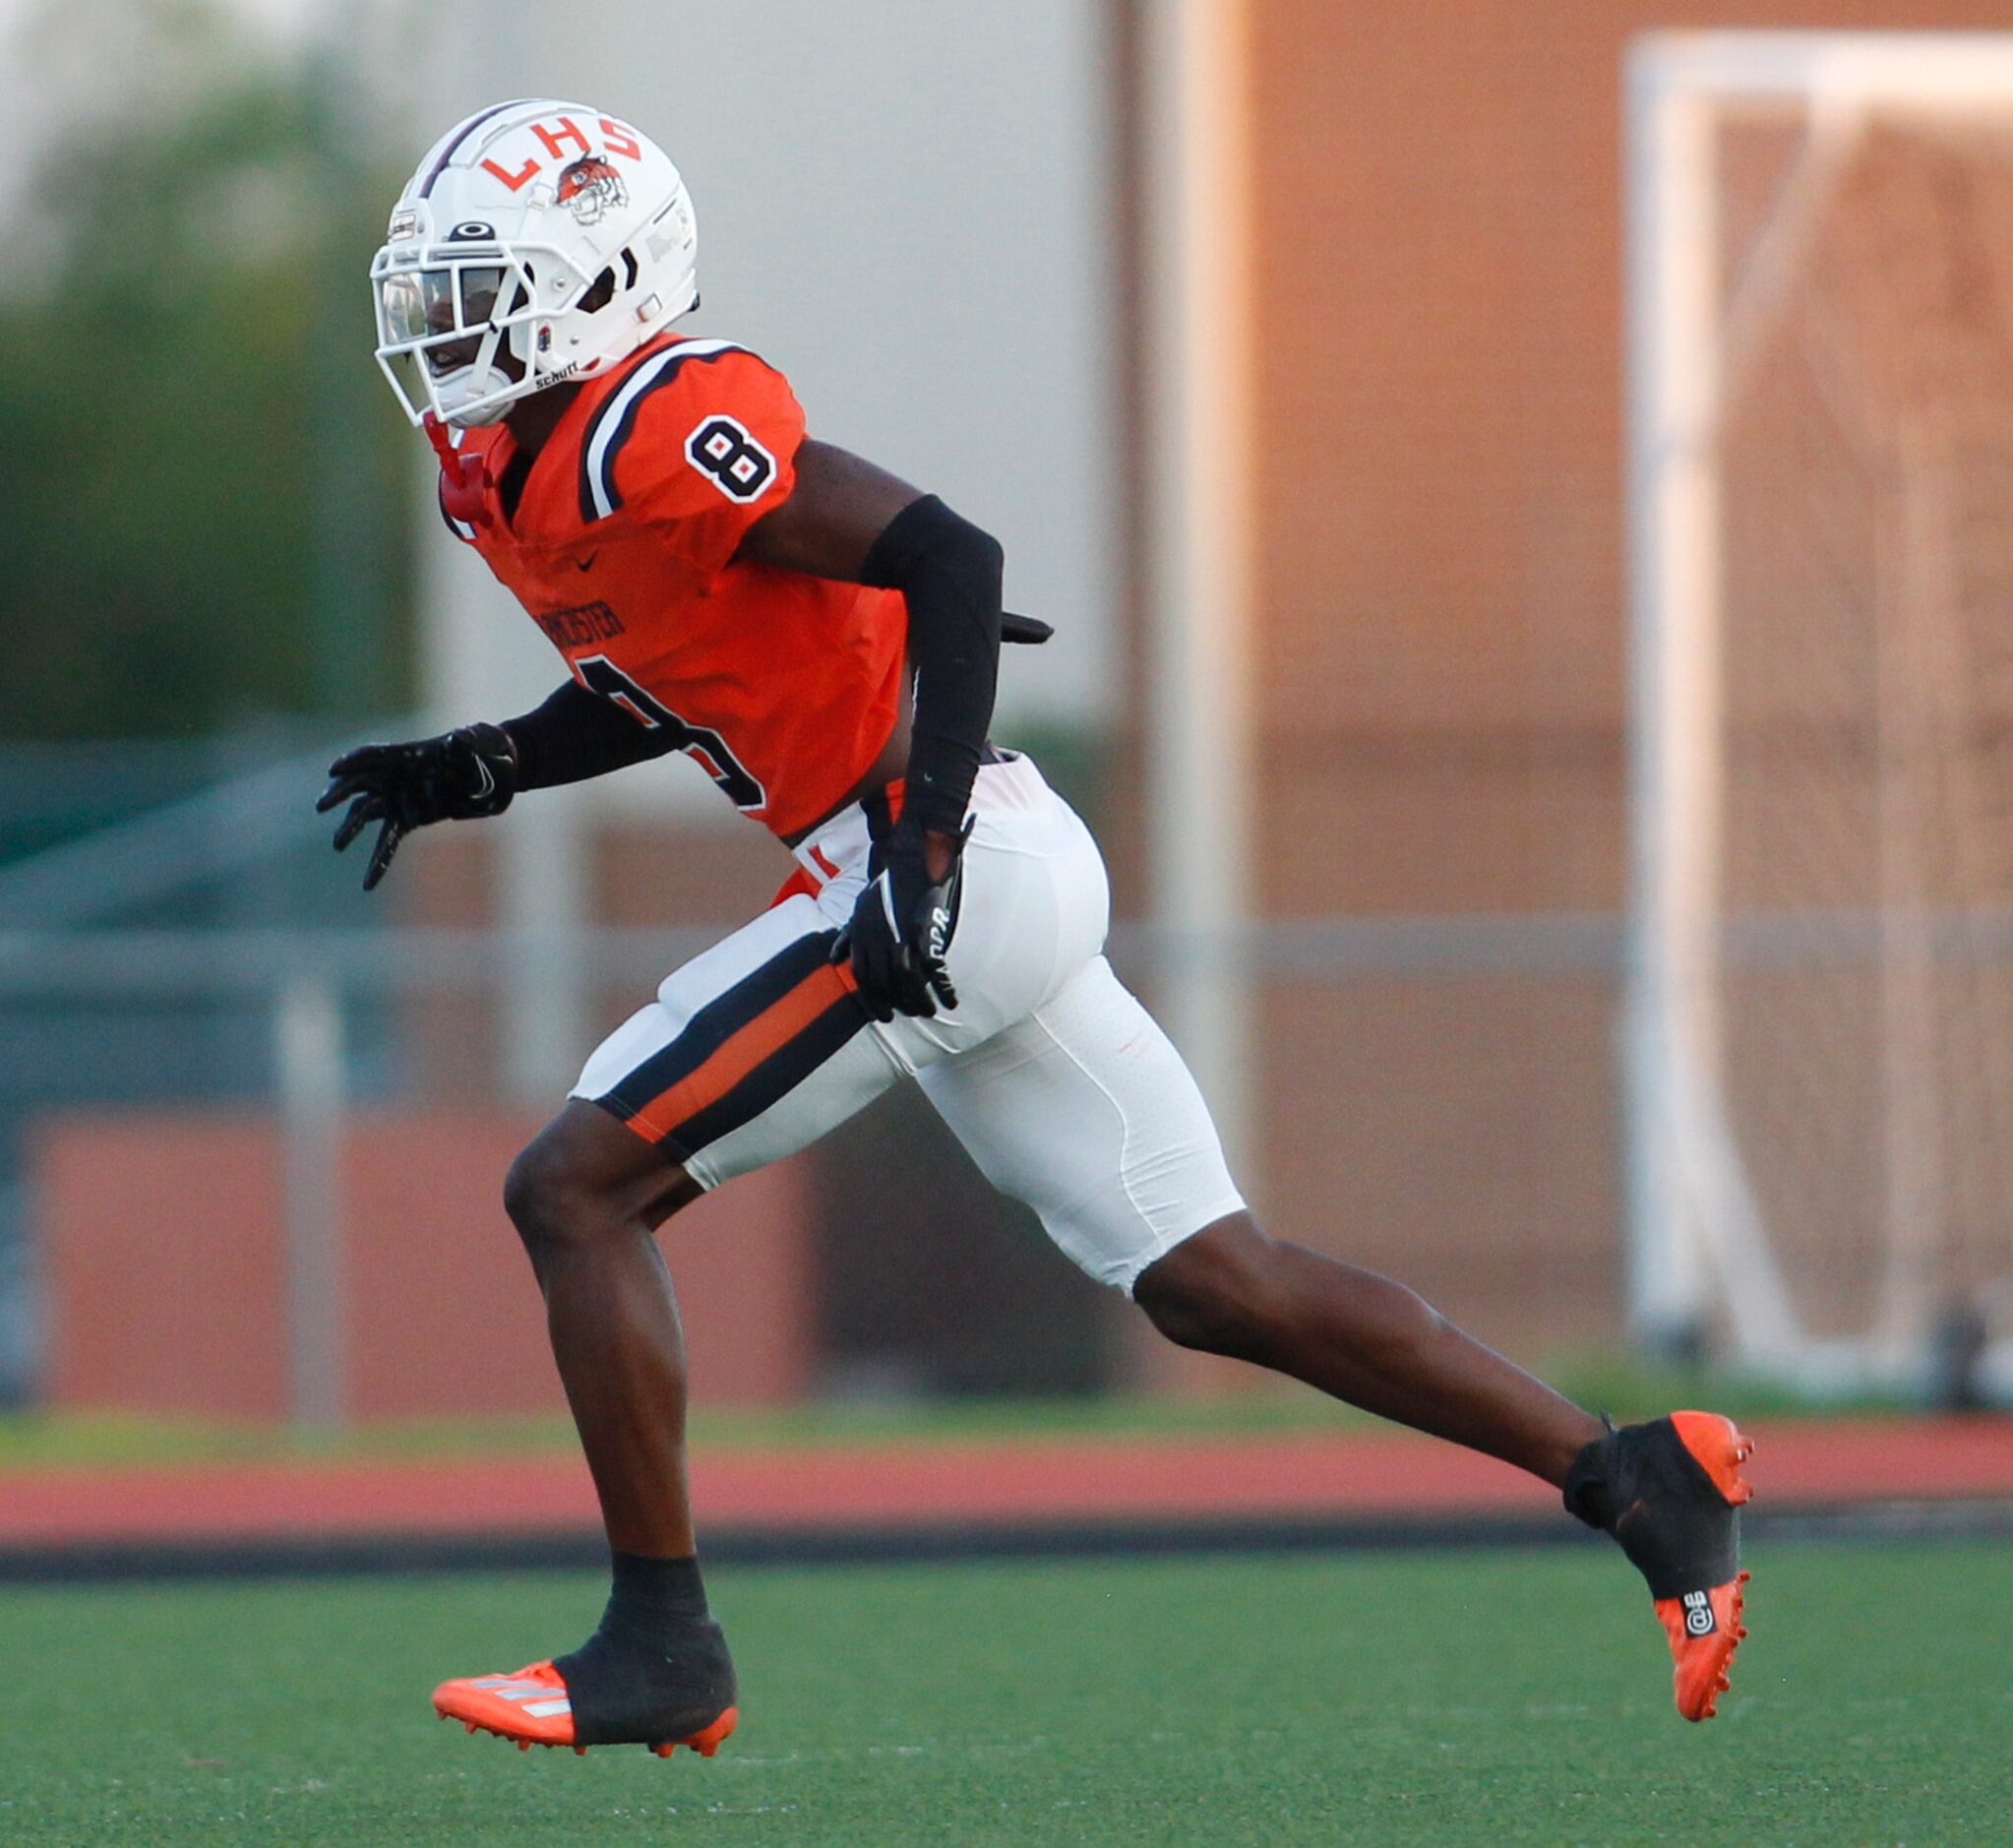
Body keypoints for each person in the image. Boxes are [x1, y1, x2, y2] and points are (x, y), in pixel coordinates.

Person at [324, 100, 1753, 1759]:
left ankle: (664, 1640)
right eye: (433, 291)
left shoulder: (658, 422)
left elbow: (945, 551)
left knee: (574, 1186)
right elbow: (684, 664)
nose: (441, 329)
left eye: (478, 287)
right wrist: (499, 757)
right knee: (1218, 1282)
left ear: (606, 282)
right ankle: (1635, 1474)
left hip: (940, 859)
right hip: (962, 854)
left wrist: (914, 846)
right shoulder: (503, 470)